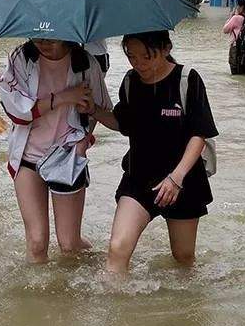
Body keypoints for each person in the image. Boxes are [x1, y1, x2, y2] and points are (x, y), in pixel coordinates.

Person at [91, 31, 217, 274]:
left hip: (184, 181)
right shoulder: (130, 81)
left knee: (183, 258)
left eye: (146, 57)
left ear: (166, 48)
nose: (138, 64)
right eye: (131, 56)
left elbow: (199, 134)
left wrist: (176, 178)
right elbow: (123, 123)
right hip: (139, 177)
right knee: (118, 248)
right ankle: (116, 309)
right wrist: (93, 109)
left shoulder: (187, 79)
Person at [0, 38, 111, 263]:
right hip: (28, 157)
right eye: (38, 37)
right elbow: (17, 112)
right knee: (37, 242)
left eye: (51, 39)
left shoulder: (86, 63)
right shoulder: (21, 58)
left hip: (67, 156)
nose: (44, 43)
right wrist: (64, 97)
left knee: (69, 245)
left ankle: (99, 265)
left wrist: (83, 142)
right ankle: (38, 297)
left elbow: (102, 110)